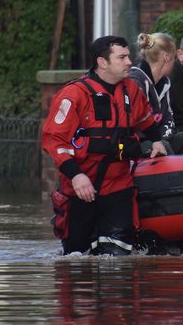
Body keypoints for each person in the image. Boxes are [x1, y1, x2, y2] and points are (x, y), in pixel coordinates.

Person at [42, 35, 167, 256]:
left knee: (117, 257)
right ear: (102, 62)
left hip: (118, 186)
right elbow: (55, 140)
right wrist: (76, 176)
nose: (129, 62)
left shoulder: (131, 90)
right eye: (122, 57)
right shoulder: (74, 95)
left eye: (128, 56)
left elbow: (145, 120)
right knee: (77, 257)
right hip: (81, 188)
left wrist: (157, 140)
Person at [130, 32, 183, 155]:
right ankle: (176, 173)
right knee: (162, 145)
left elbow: (168, 120)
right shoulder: (135, 81)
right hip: (137, 143)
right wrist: (157, 140)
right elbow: (135, 123)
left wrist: (163, 138)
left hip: (158, 140)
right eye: (174, 57)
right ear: (166, 57)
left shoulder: (164, 83)